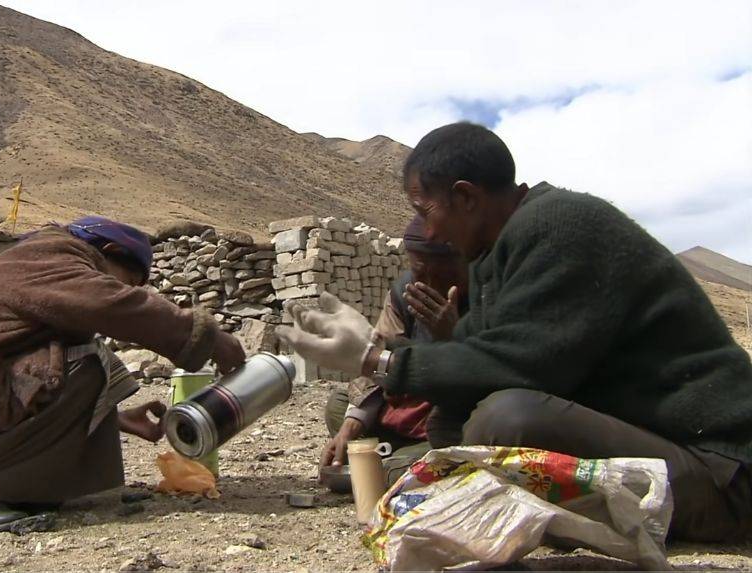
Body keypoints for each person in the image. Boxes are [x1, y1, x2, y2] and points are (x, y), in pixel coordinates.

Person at [278, 122, 752, 542]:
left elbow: (522, 365)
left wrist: (375, 359)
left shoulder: (564, 227)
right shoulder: (498, 257)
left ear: (465, 197)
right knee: (477, 418)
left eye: (426, 211)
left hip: (720, 473)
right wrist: (385, 354)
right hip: (669, 459)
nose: (429, 231)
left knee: (507, 419)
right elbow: (474, 366)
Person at [0, 216, 246, 535]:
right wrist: (209, 338)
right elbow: (110, 304)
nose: (125, 289)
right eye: (127, 280)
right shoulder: (50, 256)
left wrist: (112, 418)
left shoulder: (46, 263)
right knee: (87, 362)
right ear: (110, 253)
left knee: (83, 361)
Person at [321, 216, 468, 484]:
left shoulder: (483, 297)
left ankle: (387, 467)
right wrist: (353, 423)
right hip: (404, 411)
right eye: (417, 272)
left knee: (462, 437)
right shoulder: (404, 293)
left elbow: (486, 375)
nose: (423, 283)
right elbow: (377, 358)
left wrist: (453, 336)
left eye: (434, 273)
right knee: (339, 406)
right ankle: (390, 462)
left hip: (446, 420)